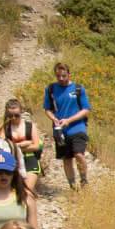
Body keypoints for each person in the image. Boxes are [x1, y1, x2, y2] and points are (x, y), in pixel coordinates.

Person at [42, 62, 90, 190]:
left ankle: (84, 181)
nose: (61, 79)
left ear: (69, 74)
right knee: (67, 158)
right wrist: (54, 119)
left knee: (79, 154)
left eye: (64, 76)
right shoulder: (51, 89)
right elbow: (47, 109)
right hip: (60, 130)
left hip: (78, 127)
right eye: (58, 76)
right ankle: (73, 186)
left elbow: (86, 109)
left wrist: (69, 120)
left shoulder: (78, 89)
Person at [2, 99, 43, 195]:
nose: (13, 118)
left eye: (16, 115)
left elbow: (36, 146)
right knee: (13, 191)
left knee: (27, 189)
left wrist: (14, 146)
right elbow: (2, 147)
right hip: (12, 160)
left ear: (21, 112)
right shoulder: (5, 128)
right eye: (10, 115)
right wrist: (22, 144)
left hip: (30, 158)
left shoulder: (30, 126)